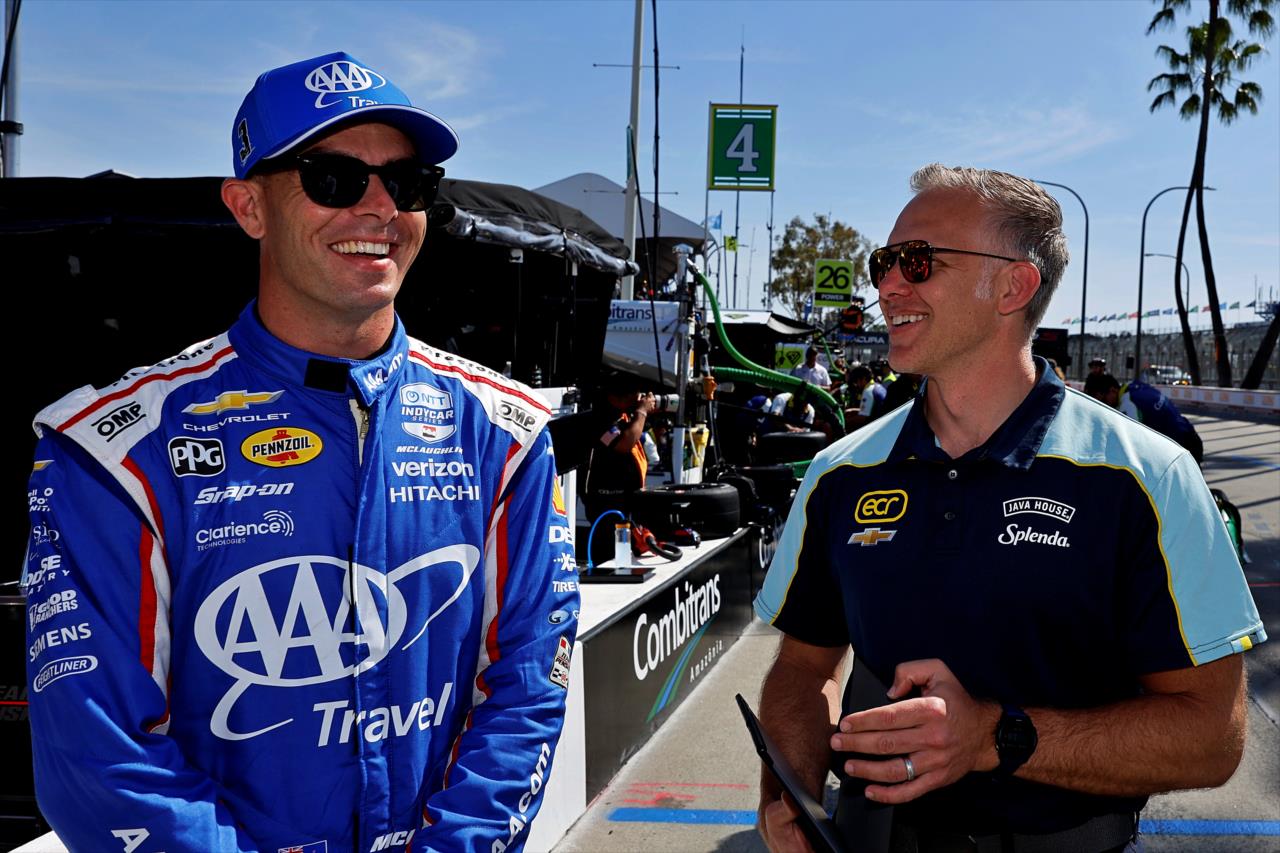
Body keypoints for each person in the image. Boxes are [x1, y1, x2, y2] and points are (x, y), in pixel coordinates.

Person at [22, 51, 578, 853]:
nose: (380, 207)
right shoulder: (114, 452)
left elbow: (528, 685)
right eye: (334, 179)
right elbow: (98, 755)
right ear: (248, 206)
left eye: (409, 182)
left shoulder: (505, 433)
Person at [753, 164, 1264, 853]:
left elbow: (1213, 736)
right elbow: (802, 671)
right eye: (883, 262)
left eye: (916, 261)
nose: (886, 285)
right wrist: (790, 794)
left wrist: (997, 736)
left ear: (1012, 285)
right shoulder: (840, 473)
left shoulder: (1148, 479)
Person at [581, 372, 657, 523]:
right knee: (609, 543)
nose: (637, 402)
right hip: (605, 502)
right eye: (633, 399)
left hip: (623, 499)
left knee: (624, 542)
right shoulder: (600, 417)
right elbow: (623, 444)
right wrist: (641, 411)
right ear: (615, 398)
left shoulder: (621, 413)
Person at [1085, 372, 1204, 463]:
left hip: (1180, 449)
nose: (1103, 404)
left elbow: (1128, 442)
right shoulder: (1134, 385)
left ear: (1113, 390)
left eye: (1102, 399)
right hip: (1188, 435)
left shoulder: (1128, 405)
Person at [844, 364, 886, 430]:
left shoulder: (868, 391)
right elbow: (872, 410)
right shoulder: (878, 386)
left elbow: (862, 418)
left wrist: (845, 421)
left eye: (856, 381)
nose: (856, 384)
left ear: (863, 379)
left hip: (874, 428)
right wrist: (854, 410)